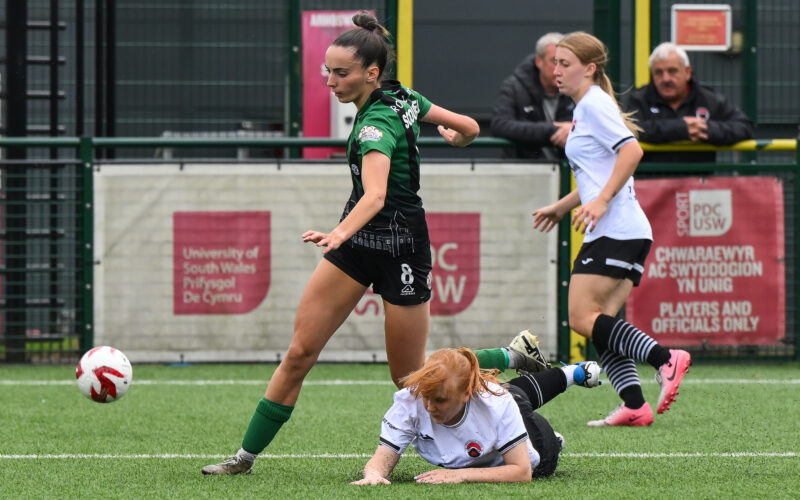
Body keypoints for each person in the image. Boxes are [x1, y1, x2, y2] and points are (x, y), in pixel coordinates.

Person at [201, 12, 546, 476]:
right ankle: (244, 458)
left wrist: (337, 232)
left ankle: (508, 357)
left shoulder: (375, 125)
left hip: (402, 249)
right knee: (301, 352)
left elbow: (377, 194)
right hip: (358, 245)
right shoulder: (403, 96)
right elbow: (469, 125)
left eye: (340, 73)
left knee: (411, 379)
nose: (329, 80)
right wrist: (460, 137)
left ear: (371, 73)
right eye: (327, 70)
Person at [531, 32, 692, 427]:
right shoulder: (586, 107)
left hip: (617, 228)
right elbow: (596, 175)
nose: (556, 71)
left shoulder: (595, 104)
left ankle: (665, 358)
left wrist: (600, 202)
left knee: (584, 318)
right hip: (625, 229)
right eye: (554, 63)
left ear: (590, 69)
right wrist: (563, 205)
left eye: (565, 64)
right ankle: (635, 405)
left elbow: (632, 151)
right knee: (601, 322)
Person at [351, 348, 601, 485]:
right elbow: (382, 458)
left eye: (439, 400)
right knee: (508, 391)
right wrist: (374, 474)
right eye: (426, 397)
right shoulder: (412, 399)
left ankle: (572, 376)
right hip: (495, 407)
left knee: (513, 399)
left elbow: (521, 472)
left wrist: (460, 474)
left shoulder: (495, 403)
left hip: (536, 448)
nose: (428, 406)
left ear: (466, 394)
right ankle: (566, 372)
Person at [623, 42, 753, 163]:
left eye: (672, 71)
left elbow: (744, 127)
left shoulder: (708, 99)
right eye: (659, 72)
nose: (666, 78)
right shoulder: (639, 99)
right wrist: (681, 128)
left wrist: (707, 129)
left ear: (687, 72)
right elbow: (630, 129)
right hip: (651, 181)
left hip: (699, 182)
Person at [490, 32, 575, 160]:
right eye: (554, 61)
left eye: (564, 63)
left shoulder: (575, 87)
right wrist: (552, 131)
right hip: (524, 172)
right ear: (539, 61)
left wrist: (574, 129)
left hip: (567, 172)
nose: (559, 69)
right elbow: (500, 125)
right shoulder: (513, 87)